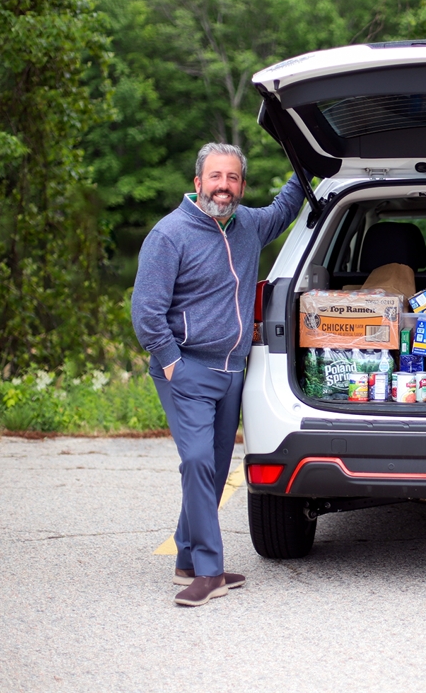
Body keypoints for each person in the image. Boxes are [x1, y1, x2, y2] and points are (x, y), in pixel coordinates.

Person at [133, 142, 305, 607]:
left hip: (233, 370)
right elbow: (146, 312)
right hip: (185, 367)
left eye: (232, 179)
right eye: (215, 178)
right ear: (197, 183)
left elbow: (288, 205)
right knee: (197, 462)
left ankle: (186, 557)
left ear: (241, 185)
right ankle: (208, 572)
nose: (223, 188)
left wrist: (305, 158)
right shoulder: (169, 235)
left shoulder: (248, 224)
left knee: (212, 468)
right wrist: (172, 365)